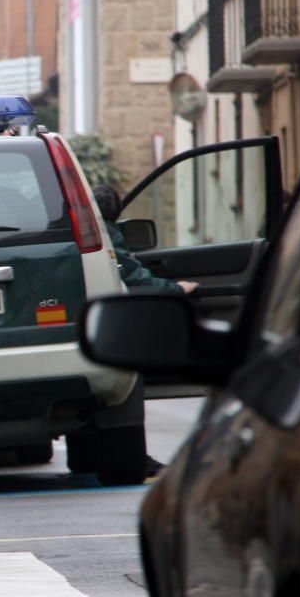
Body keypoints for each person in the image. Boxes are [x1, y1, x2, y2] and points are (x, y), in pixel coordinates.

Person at [92, 184, 198, 477]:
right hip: (113, 320)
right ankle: (132, 455)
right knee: (126, 379)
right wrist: (175, 289)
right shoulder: (106, 233)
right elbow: (133, 276)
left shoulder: (94, 229)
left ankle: (123, 454)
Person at [92, 184, 198, 295]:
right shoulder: (107, 234)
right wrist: (177, 288)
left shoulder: (97, 232)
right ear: (117, 213)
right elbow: (135, 276)